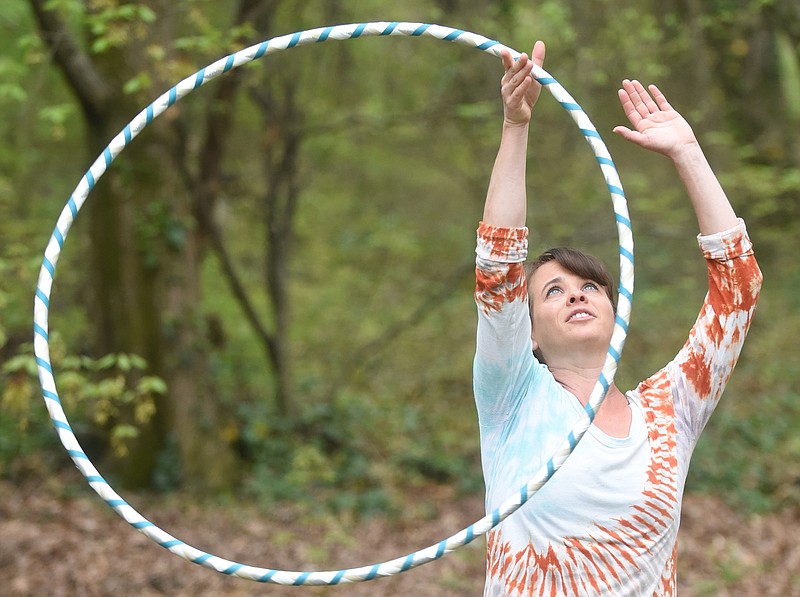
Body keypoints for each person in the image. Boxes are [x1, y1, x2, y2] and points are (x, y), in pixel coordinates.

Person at [473, 41, 762, 596]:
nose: (576, 296)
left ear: (615, 307)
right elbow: (498, 267)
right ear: (527, 331)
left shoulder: (669, 411)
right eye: (553, 291)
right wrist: (515, 127)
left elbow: (738, 292)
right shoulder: (512, 395)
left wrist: (687, 151)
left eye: (589, 286)